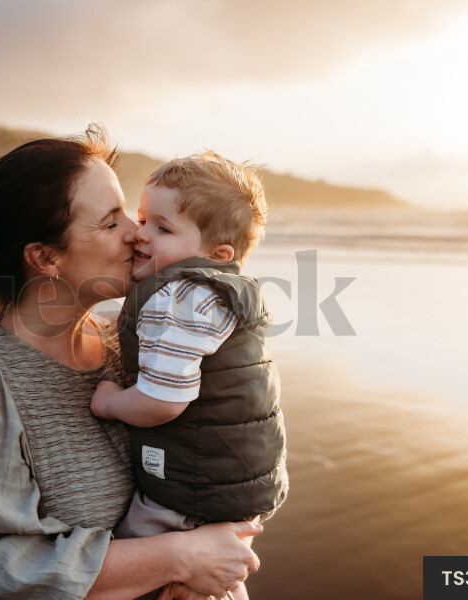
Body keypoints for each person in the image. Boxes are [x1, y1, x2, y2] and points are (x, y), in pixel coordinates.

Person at [0, 127, 264, 600]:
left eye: (129, 213)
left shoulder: (141, 345)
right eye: (110, 222)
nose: (136, 234)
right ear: (44, 256)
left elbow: (233, 448)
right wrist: (182, 557)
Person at [90, 153, 288, 599]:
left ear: (217, 254)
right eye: (143, 219)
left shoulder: (178, 298)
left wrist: (109, 402)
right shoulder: (222, 292)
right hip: (234, 480)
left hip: (189, 490)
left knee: (143, 567)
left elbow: (163, 401)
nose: (140, 235)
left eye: (162, 228)